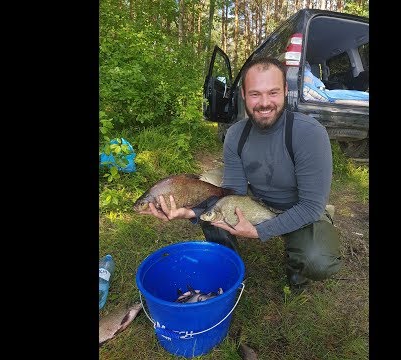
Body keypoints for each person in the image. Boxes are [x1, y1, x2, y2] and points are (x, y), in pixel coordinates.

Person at [140, 57, 342, 289]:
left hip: (298, 208)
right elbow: (231, 193)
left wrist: (259, 231)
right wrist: (190, 212)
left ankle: (297, 268)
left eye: (273, 93)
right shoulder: (236, 134)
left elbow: (311, 206)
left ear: (286, 91)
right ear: (243, 95)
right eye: (255, 94)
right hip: (255, 201)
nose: (264, 103)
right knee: (211, 192)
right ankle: (230, 265)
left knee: (319, 261)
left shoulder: (309, 133)